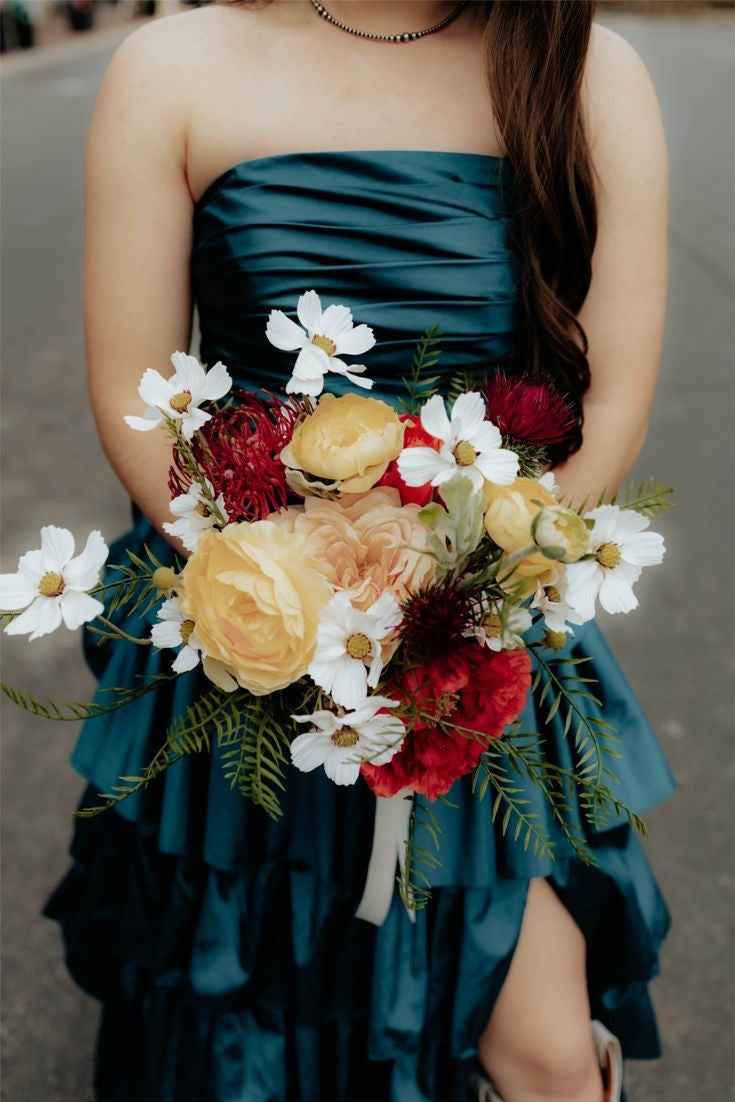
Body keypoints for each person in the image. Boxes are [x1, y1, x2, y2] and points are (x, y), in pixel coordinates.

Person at [44, 2, 677, 1100]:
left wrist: (455, 602)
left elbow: (609, 411)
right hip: (245, 621)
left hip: (472, 635)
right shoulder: (172, 68)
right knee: (246, 1012)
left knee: (545, 1055)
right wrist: (296, 601)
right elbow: (139, 403)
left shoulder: (585, 71)